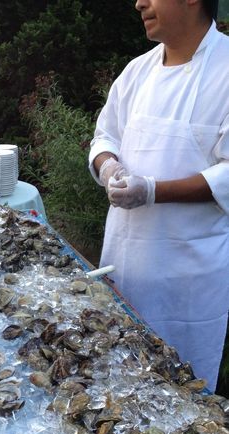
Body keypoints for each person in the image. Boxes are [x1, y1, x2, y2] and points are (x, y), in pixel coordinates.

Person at [89, 0, 228, 393]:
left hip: (187, 283)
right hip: (123, 261)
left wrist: (152, 191)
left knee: (182, 396)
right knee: (116, 387)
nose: (139, 3)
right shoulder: (137, 71)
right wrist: (108, 166)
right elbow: (105, 136)